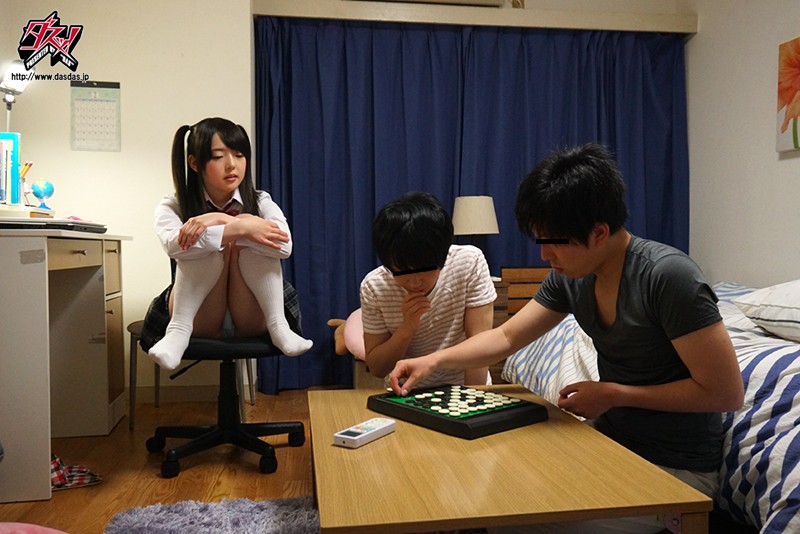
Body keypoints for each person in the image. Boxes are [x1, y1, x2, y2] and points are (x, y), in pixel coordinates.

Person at [388, 144, 744, 531]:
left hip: (677, 467)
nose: (545, 256)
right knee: (485, 480)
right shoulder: (572, 277)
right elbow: (506, 336)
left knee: (511, 520)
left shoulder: (668, 276)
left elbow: (725, 393)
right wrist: (432, 361)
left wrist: (614, 394)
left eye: (553, 242)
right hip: (610, 442)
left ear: (599, 233)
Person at [147, 117, 312, 370]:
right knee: (206, 246)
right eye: (218, 156)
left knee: (249, 237)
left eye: (239, 155)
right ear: (194, 163)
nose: (232, 164)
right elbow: (173, 245)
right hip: (198, 314)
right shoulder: (174, 204)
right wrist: (238, 227)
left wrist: (225, 222)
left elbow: (284, 246)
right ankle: (178, 331)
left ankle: (279, 325)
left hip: (252, 313)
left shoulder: (261, 200)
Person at [360, 191, 496, 389]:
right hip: (405, 392)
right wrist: (407, 327)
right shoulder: (374, 286)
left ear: (443, 257)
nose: (415, 282)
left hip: (464, 388)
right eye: (402, 271)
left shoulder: (469, 263)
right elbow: (377, 368)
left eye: (425, 269)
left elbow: (480, 346)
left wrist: (472, 398)